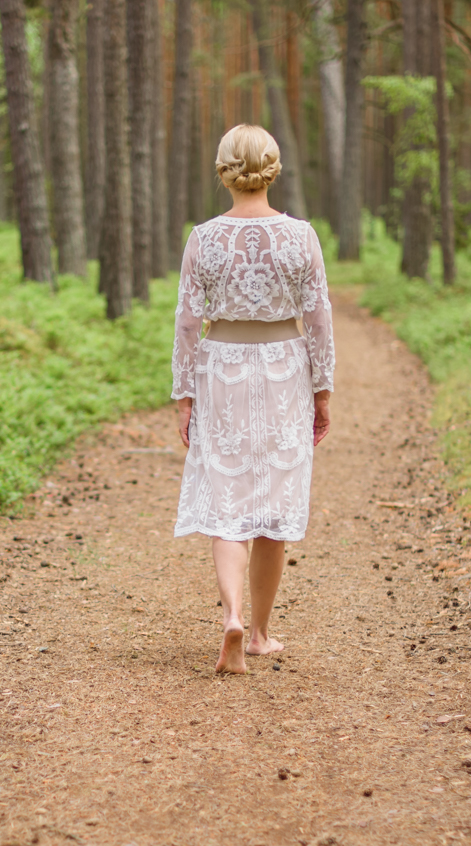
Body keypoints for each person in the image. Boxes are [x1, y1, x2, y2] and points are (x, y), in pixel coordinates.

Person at [172, 124, 335, 676]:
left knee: (227, 498)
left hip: (222, 369)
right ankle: (261, 633)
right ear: (273, 169)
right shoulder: (301, 236)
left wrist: (183, 396)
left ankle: (232, 617)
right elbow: (318, 320)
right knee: (273, 505)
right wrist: (323, 390)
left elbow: (188, 322)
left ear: (223, 172)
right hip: (285, 370)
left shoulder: (203, 237)